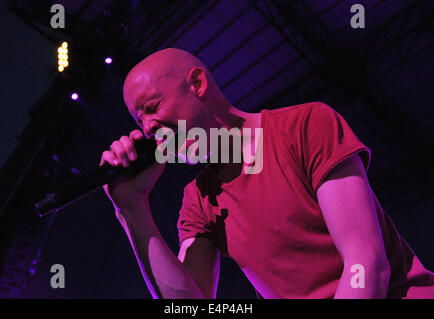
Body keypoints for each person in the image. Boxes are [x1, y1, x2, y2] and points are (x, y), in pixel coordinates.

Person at [99, 48, 434, 299]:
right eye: (139, 120)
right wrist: (131, 206)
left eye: (152, 108)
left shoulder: (305, 126)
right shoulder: (198, 199)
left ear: (197, 84)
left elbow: (366, 263)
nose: (148, 128)